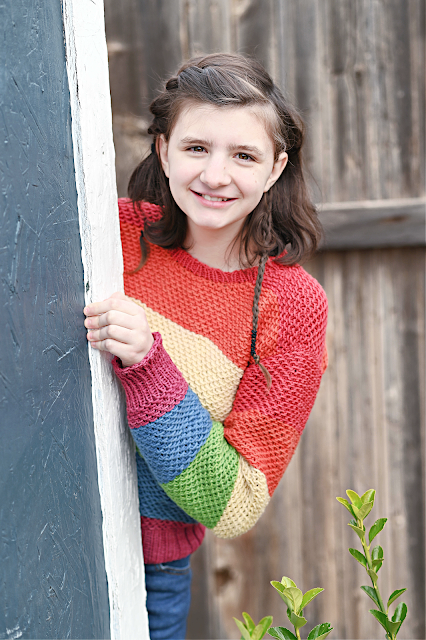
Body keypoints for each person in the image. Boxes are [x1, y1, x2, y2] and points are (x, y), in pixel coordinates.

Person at [83, 53, 328, 639]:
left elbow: (238, 503)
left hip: (147, 574)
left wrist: (149, 365)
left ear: (275, 168)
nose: (215, 175)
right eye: (197, 148)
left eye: (243, 155)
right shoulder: (104, 232)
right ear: (164, 150)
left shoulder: (291, 307)